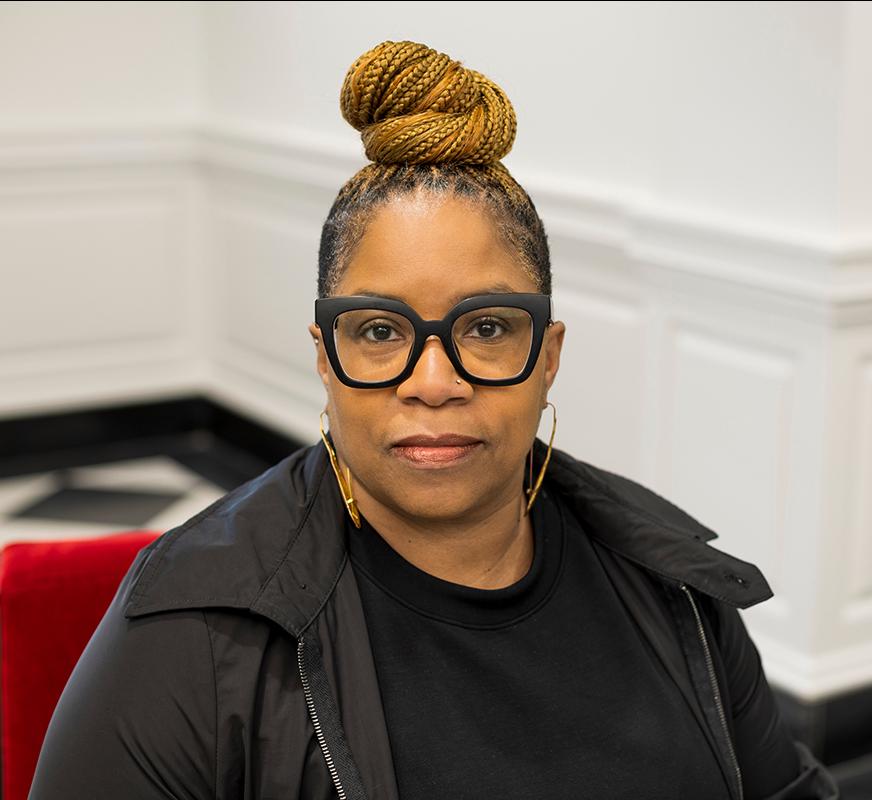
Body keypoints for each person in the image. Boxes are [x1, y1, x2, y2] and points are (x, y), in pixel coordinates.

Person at [29, 40, 839, 800]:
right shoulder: (190, 635)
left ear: (548, 354)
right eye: (380, 332)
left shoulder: (677, 592)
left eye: (487, 327)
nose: (434, 381)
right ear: (324, 354)